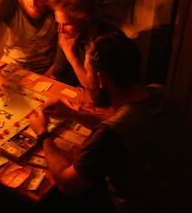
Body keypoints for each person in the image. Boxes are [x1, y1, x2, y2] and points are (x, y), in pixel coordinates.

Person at [30, 32, 182, 213]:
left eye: (87, 72)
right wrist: (71, 114)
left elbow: (66, 183)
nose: (86, 80)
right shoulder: (159, 92)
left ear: (101, 79)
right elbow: (124, 127)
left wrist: (43, 135)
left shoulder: (109, 135)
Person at [49, 0, 121, 87]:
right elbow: (57, 74)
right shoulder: (67, 35)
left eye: (66, 24)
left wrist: (72, 58)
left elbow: (95, 90)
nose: (60, 30)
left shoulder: (107, 41)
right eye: (58, 23)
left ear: (84, 20)